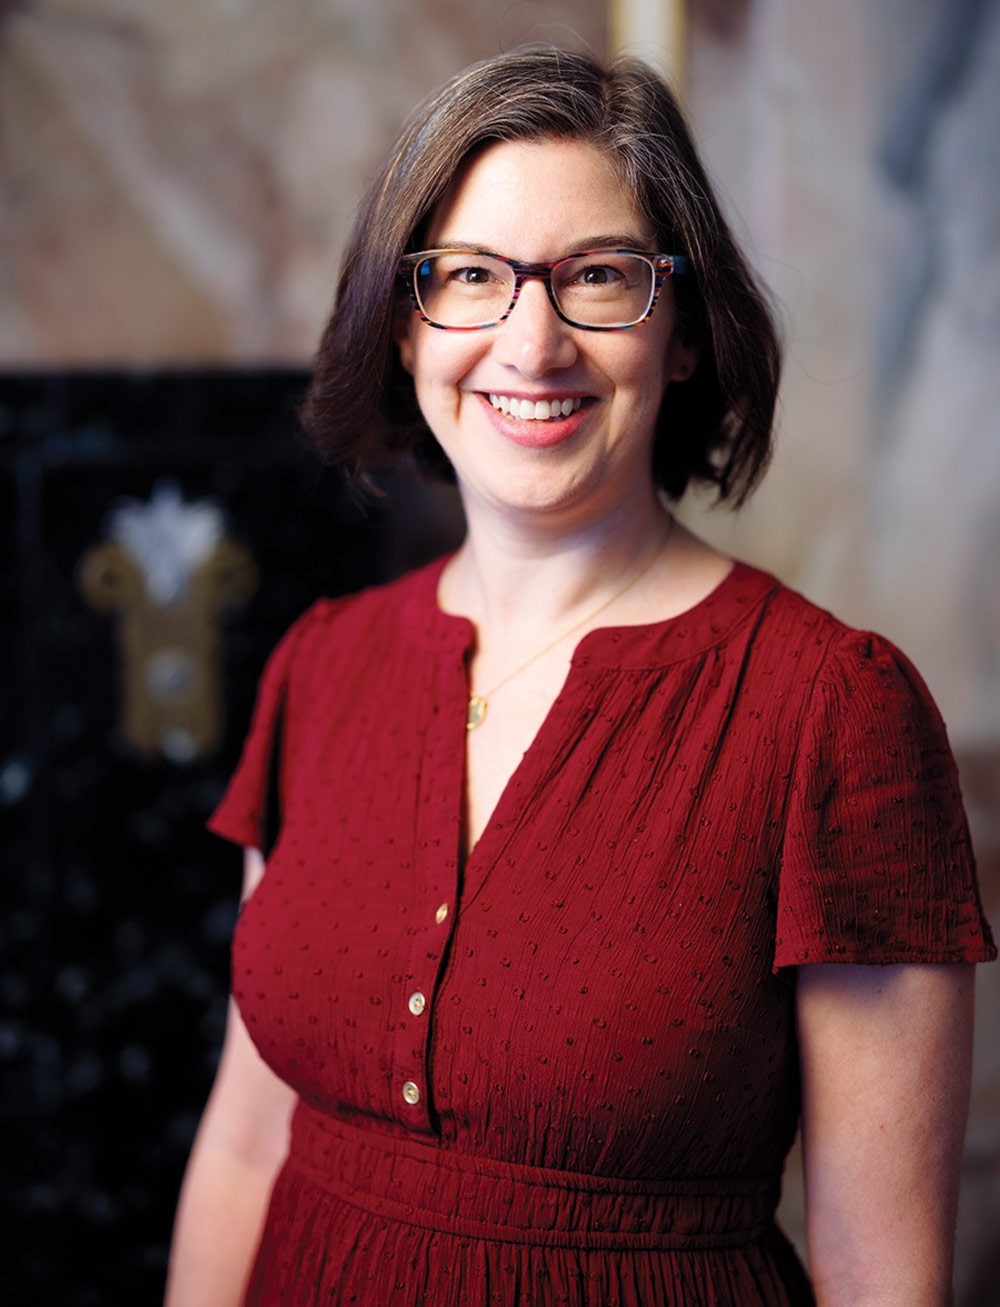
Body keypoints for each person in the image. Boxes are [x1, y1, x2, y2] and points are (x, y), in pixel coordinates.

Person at [164, 46, 995, 1307]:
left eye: (598, 276)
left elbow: (883, 1277)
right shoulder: (320, 663)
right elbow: (243, 1139)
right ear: (403, 326)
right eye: (471, 278)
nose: (531, 340)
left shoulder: (835, 711)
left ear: (683, 332)